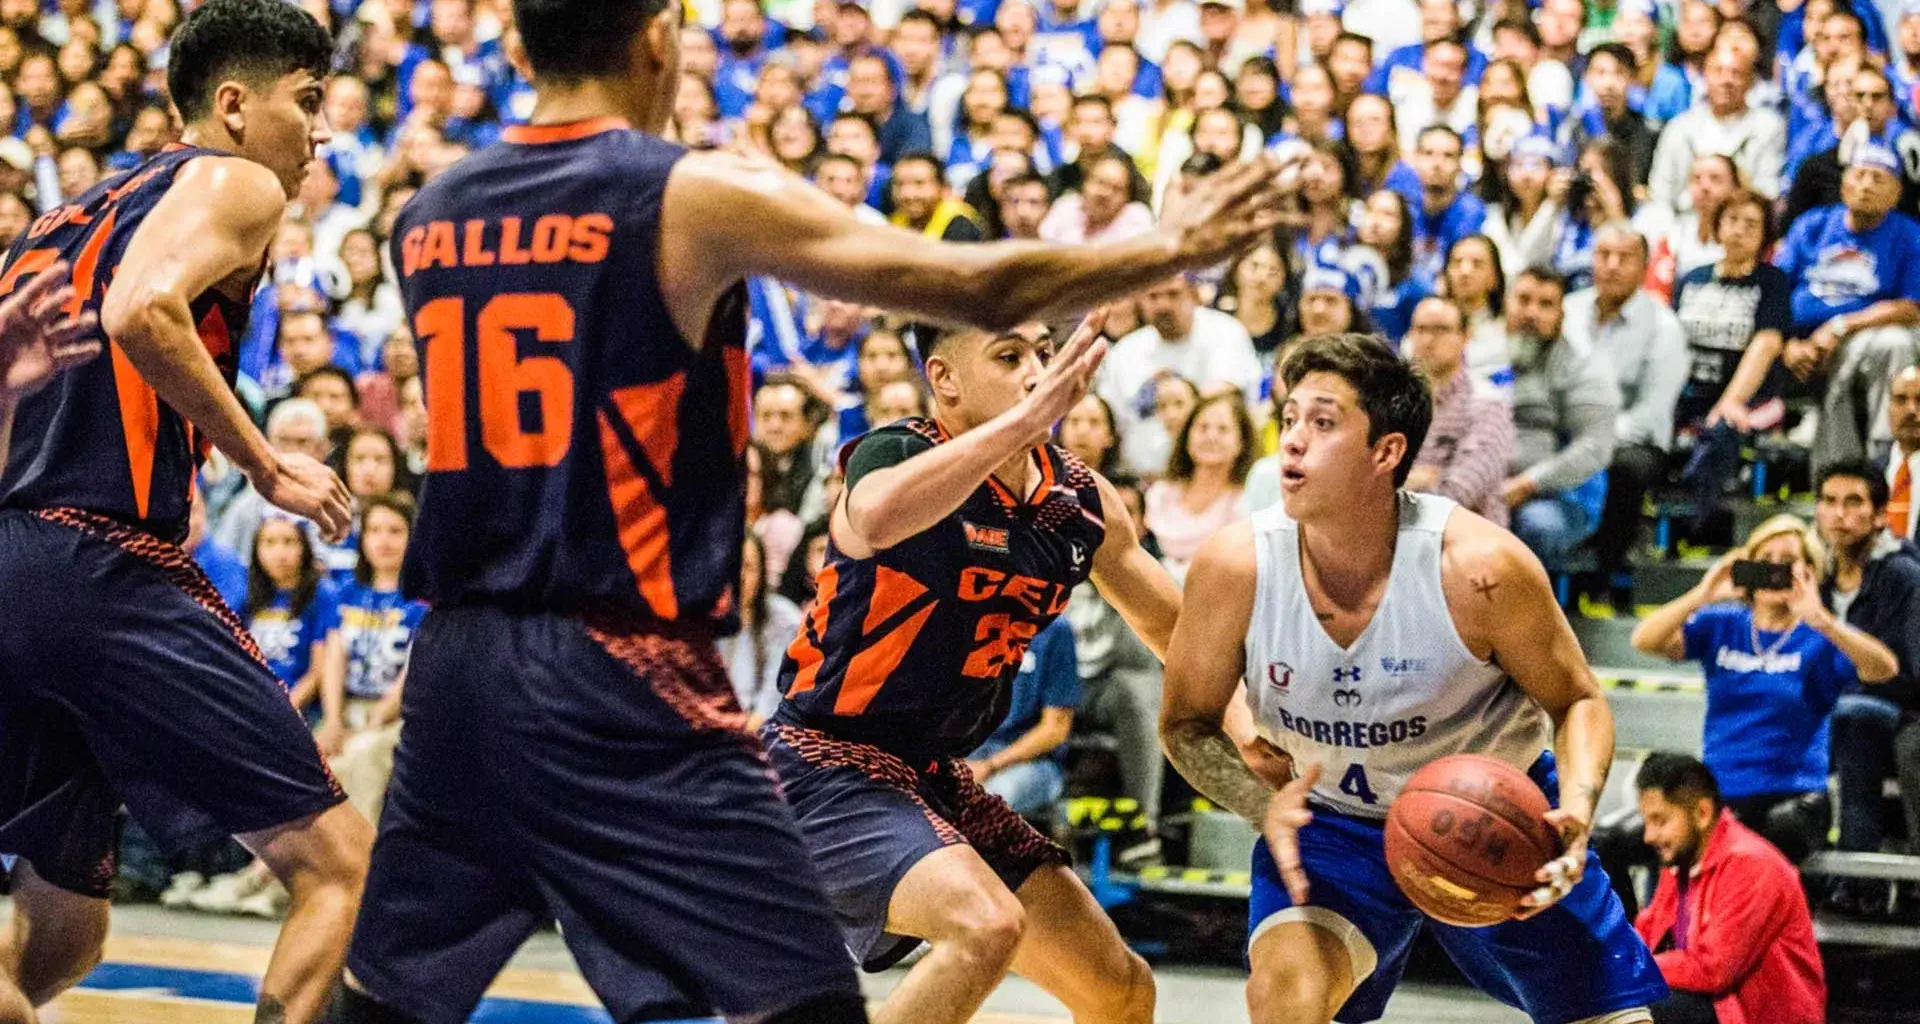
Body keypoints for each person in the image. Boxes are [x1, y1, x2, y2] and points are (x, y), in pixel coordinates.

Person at [332, 0, 1289, 1015]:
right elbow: (978, 283)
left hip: (459, 653)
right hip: (643, 668)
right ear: (662, 40)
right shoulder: (692, 195)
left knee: (393, 1000)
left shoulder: (431, 208)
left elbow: (1166, 618)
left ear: (518, 47)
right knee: (811, 997)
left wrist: (1249, 715)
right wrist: (1166, 242)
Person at [0, 4, 369, 1023]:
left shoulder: (68, 213)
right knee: (342, 868)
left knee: (63, 930)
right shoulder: (237, 180)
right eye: (308, 102)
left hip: (12, 562)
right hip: (99, 559)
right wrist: (262, 461)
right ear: (233, 106)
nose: (322, 132)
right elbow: (141, 308)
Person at [1160, 333, 1666, 1024]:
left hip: (1497, 817)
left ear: (1387, 452)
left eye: (1324, 422)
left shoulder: (1481, 569)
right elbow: (1186, 724)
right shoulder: (1235, 567)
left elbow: (1578, 699)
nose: (1294, 442)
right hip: (1333, 826)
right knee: (1284, 1002)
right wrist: (1258, 803)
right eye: (1290, 419)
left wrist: (1576, 807)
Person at [763, 315, 1174, 1024]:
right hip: (826, 762)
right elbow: (880, 515)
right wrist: (1024, 424)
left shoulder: (1077, 498)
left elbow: (1185, 634)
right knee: (984, 927)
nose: (1036, 374)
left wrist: (1258, 728)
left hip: (937, 773)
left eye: (1044, 355)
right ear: (943, 379)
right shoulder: (893, 454)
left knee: (1121, 990)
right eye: (1009, 356)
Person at [1629, 515, 1898, 861]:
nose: (1774, 570)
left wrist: (1823, 620)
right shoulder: (1723, 623)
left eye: (1787, 563)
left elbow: (1883, 668)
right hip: (1720, 791)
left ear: (1809, 573)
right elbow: (1643, 640)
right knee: (1615, 840)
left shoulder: (1820, 638)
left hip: (1793, 795)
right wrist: (1702, 594)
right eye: (1764, 561)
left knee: (1771, 832)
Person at [1632, 754, 1826, 1024]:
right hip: (1718, 1008)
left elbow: (1713, 968)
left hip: (1754, 1016)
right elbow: (1647, 934)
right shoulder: (1681, 861)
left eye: (1661, 821)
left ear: (1702, 813)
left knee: (1639, 1010)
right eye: (1647, 822)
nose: (1649, 836)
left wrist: (1633, 967)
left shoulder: (1751, 864)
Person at [1776, 142, 1920, 469]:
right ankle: (1837, 472)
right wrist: (1787, 343)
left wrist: (1841, 327)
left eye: (1878, 179)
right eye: (1860, 175)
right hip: (1803, 341)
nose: (1866, 185)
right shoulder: (1810, 226)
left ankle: (1879, 460)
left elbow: (1912, 307)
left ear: (1896, 194)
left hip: (1867, 335)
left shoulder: (1909, 236)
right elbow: (1777, 293)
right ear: (1844, 184)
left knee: (1890, 343)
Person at [1566, 223, 1687, 609]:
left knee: (1626, 470)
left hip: (1632, 441)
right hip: (1565, 433)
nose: (1612, 266)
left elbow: (1652, 412)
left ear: (1644, 266)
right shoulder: (1568, 311)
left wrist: (1592, 440)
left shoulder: (1664, 327)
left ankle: (1601, 578)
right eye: (1603, 255)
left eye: (1625, 257)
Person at [1815, 458, 1920, 863]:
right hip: (1836, 709)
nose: (1839, 514)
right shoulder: (1811, 574)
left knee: (1855, 726)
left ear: (1879, 515)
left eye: (1853, 502)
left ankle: (1857, 880)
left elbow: (1908, 673)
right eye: (1829, 500)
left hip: (1902, 710)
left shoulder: (1903, 575)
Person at [1502, 268, 1620, 565]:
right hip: (1487, 483)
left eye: (1545, 305)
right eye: (1524, 300)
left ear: (1561, 315)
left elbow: (1594, 448)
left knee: (1534, 525)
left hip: (1561, 497)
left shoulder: (1585, 369)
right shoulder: (1483, 356)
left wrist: (1526, 484)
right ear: (1507, 303)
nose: (1532, 313)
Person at [1403, 295, 1515, 525]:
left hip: (1467, 539)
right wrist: (1422, 478)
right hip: (1401, 532)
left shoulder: (1487, 403)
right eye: (1420, 329)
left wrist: (1398, 484)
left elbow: (1458, 493)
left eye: (1441, 329)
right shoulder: (1395, 402)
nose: (1428, 340)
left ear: (1465, 336)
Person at [966, 617, 1081, 819]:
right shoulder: (972, 620)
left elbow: (1055, 729)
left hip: (1031, 762)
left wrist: (990, 765)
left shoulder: (1055, 630)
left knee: (988, 801)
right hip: (967, 755)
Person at [1146, 391, 1254, 574]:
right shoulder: (1159, 494)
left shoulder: (1245, 503)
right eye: (1202, 427)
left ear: (1241, 442)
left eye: (1223, 429)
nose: (1211, 436)